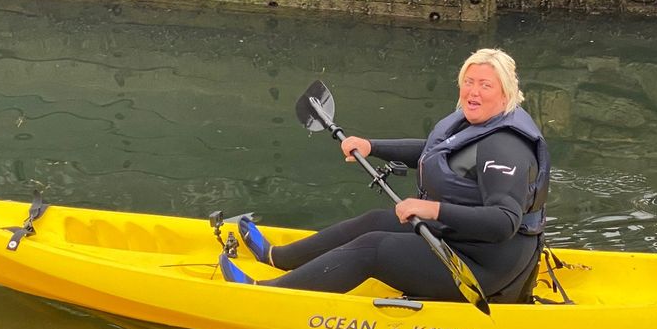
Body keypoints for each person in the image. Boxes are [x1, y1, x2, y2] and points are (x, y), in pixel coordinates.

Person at [222, 48, 551, 303]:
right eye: (469, 81)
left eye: (485, 85)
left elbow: (503, 222)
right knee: (376, 221)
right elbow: (435, 154)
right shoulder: (475, 122)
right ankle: (277, 257)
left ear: (505, 95)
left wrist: (431, 209)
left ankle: (267, 294)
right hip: (457, 240)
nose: (473, 92)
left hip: (481, 270)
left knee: (374, 247)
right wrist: (371, 145)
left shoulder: (506, 148)